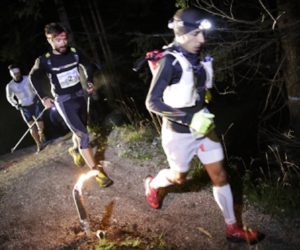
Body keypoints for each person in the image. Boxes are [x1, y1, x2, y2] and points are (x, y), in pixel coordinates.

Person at [144, 8, 264, 244]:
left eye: (203, 33)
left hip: (204, 125)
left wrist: (202, 102)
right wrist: (188, 119)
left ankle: (233, 228)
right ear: (182, 33)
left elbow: (197, 89)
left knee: (219, 175)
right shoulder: (170, 61)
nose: (202, 40)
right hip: (178, 132)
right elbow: (152, 102)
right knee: (179, 178)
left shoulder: (196, 54)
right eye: (197, 34)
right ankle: (153, 184)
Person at [29, 22, 112, 187]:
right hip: (64, 101)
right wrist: (44, 97)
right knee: (83, 135)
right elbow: (34, 77)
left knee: (81, 127)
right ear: (50, 40)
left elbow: (88, 64)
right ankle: (98, 173)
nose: (63, 43)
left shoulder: (74, 53)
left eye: (64, 39)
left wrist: (88, 80)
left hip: (80, 96)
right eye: (58, 40)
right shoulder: (45, 60)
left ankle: (75, 149)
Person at [6, 64, 46, 153]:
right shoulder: (10, 86)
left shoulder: (28, 78)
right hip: (24, 107)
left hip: (34, 103)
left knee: (40, 123)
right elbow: (9, 97)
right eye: (14, 74)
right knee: (31, 127)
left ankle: (42, 134)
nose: (17, 75)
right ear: (11, 74)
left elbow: (35, 88)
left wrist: (37, 96)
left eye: (18, 73)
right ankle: (38, 144)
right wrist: (15, 104)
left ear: (20, 72)